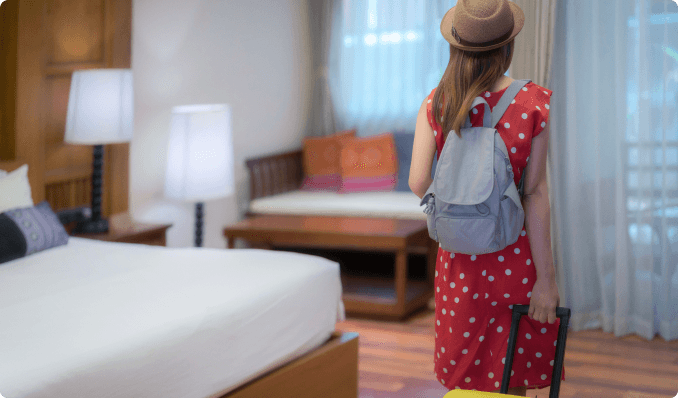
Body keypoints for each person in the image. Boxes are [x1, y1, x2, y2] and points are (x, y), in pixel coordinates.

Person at [408, 0, 561, 395]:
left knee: (465, 379)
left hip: (460, 262)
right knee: (509, 372)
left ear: (456, 46)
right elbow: (535, 194)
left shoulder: (437, 102)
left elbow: (416, 180)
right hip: (512, 255)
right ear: (507, 47)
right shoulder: (533, 103)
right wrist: (546, 281)